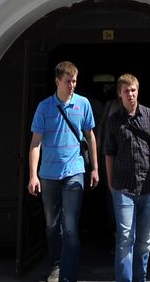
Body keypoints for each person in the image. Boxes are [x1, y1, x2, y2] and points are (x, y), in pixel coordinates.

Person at [29, 61, 98, 282]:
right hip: (48, 173)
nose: (72, 85)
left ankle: (68, 273)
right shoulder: (44, 107)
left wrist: (95, 168)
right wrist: (32, 175)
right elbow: (35, 143)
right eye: (68, 81)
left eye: (75, 81)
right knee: (51, 224)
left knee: (70, 225)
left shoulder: (83, 104)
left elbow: (90, 136)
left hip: (74, 171)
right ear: (57, 81)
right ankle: (56, 263)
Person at [102, 73, 150, 282]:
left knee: (144, 241)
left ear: (137, 91)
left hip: (148, 188)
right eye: (126, 91)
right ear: (119, 95)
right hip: (123, 188)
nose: (130, 94)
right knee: (124, 238)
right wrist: (110, 182)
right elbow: (109, 153)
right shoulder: (114, 121)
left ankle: (141, 278)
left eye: (133, 90)